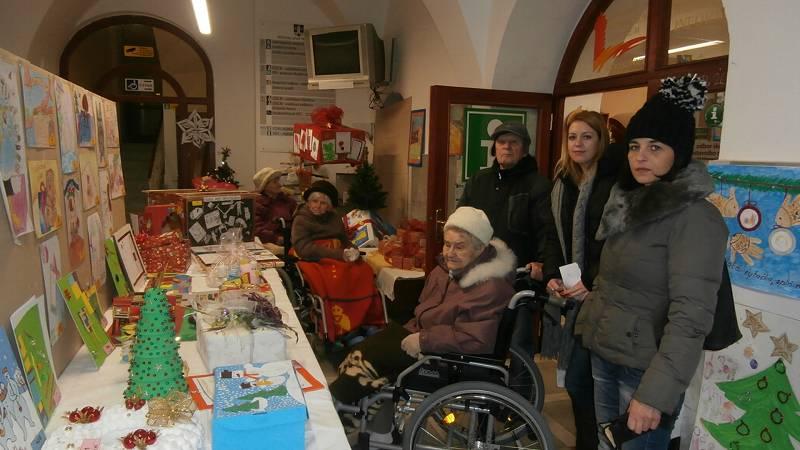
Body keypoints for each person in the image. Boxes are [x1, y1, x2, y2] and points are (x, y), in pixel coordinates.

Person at [576, 75, 728, 449]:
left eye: (655, 147)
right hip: (607, 352)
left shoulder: (695, 218)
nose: (640, 156)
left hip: (645, 370)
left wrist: (655, 395)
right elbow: (617, 283)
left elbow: (691, 315)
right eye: (634, 146)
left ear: (679, 153)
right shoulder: (630, 203)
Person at [330, 206, 516, 404]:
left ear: (480, 248)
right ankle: (355, 409)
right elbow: (425, 313)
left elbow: (475, 338)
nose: (450, 253)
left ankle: (339, 406)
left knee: (370, 359)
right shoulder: (445, 272)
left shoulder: (489, 287)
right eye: (447, 244)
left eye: (459, 247)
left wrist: (423, 340)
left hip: (447, 358)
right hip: (428, 339)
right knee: (364, 348)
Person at [541, 109, 622, 450]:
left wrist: (591, 282)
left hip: (603, 295)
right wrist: (552, 274)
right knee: (577, 382)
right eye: (572, 137)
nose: (578, 144)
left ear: (600, 141)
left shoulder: (613, 183)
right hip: (574, 295)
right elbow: (553, 234)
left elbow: (613, 243)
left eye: (587, 137)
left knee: (593, 383)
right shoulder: (563, 182)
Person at [458, 122, 558, 282]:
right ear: (494, 148)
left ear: (524, 150)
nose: (507, 147)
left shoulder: (539, 186)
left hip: (518, 277)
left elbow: (547, 234)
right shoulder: (478, 181)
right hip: (475, 272)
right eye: (501, 142)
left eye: (514, 142)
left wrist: (544, 266)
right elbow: (460, 223)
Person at [291, 179, 359, 262]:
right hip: (312, 259)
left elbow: (344, 240)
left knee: (361, 267)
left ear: (329, 207)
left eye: (323, 203)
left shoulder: (335, 217)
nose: (318, 206)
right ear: (309, 202)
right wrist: (339, 254)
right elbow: (304, 249)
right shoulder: (301, 219)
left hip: (338, 255)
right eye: (314, 201)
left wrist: (353, 249)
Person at [252, 167, 297, 254]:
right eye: (275, 182)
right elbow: (256, 229)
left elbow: (298, 222)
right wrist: (276, 239)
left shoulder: (289, 202)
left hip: (290, 244)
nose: (280, 185)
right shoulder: (257, 204)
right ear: (265, 186)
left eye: (278, 181)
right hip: (265, 246)